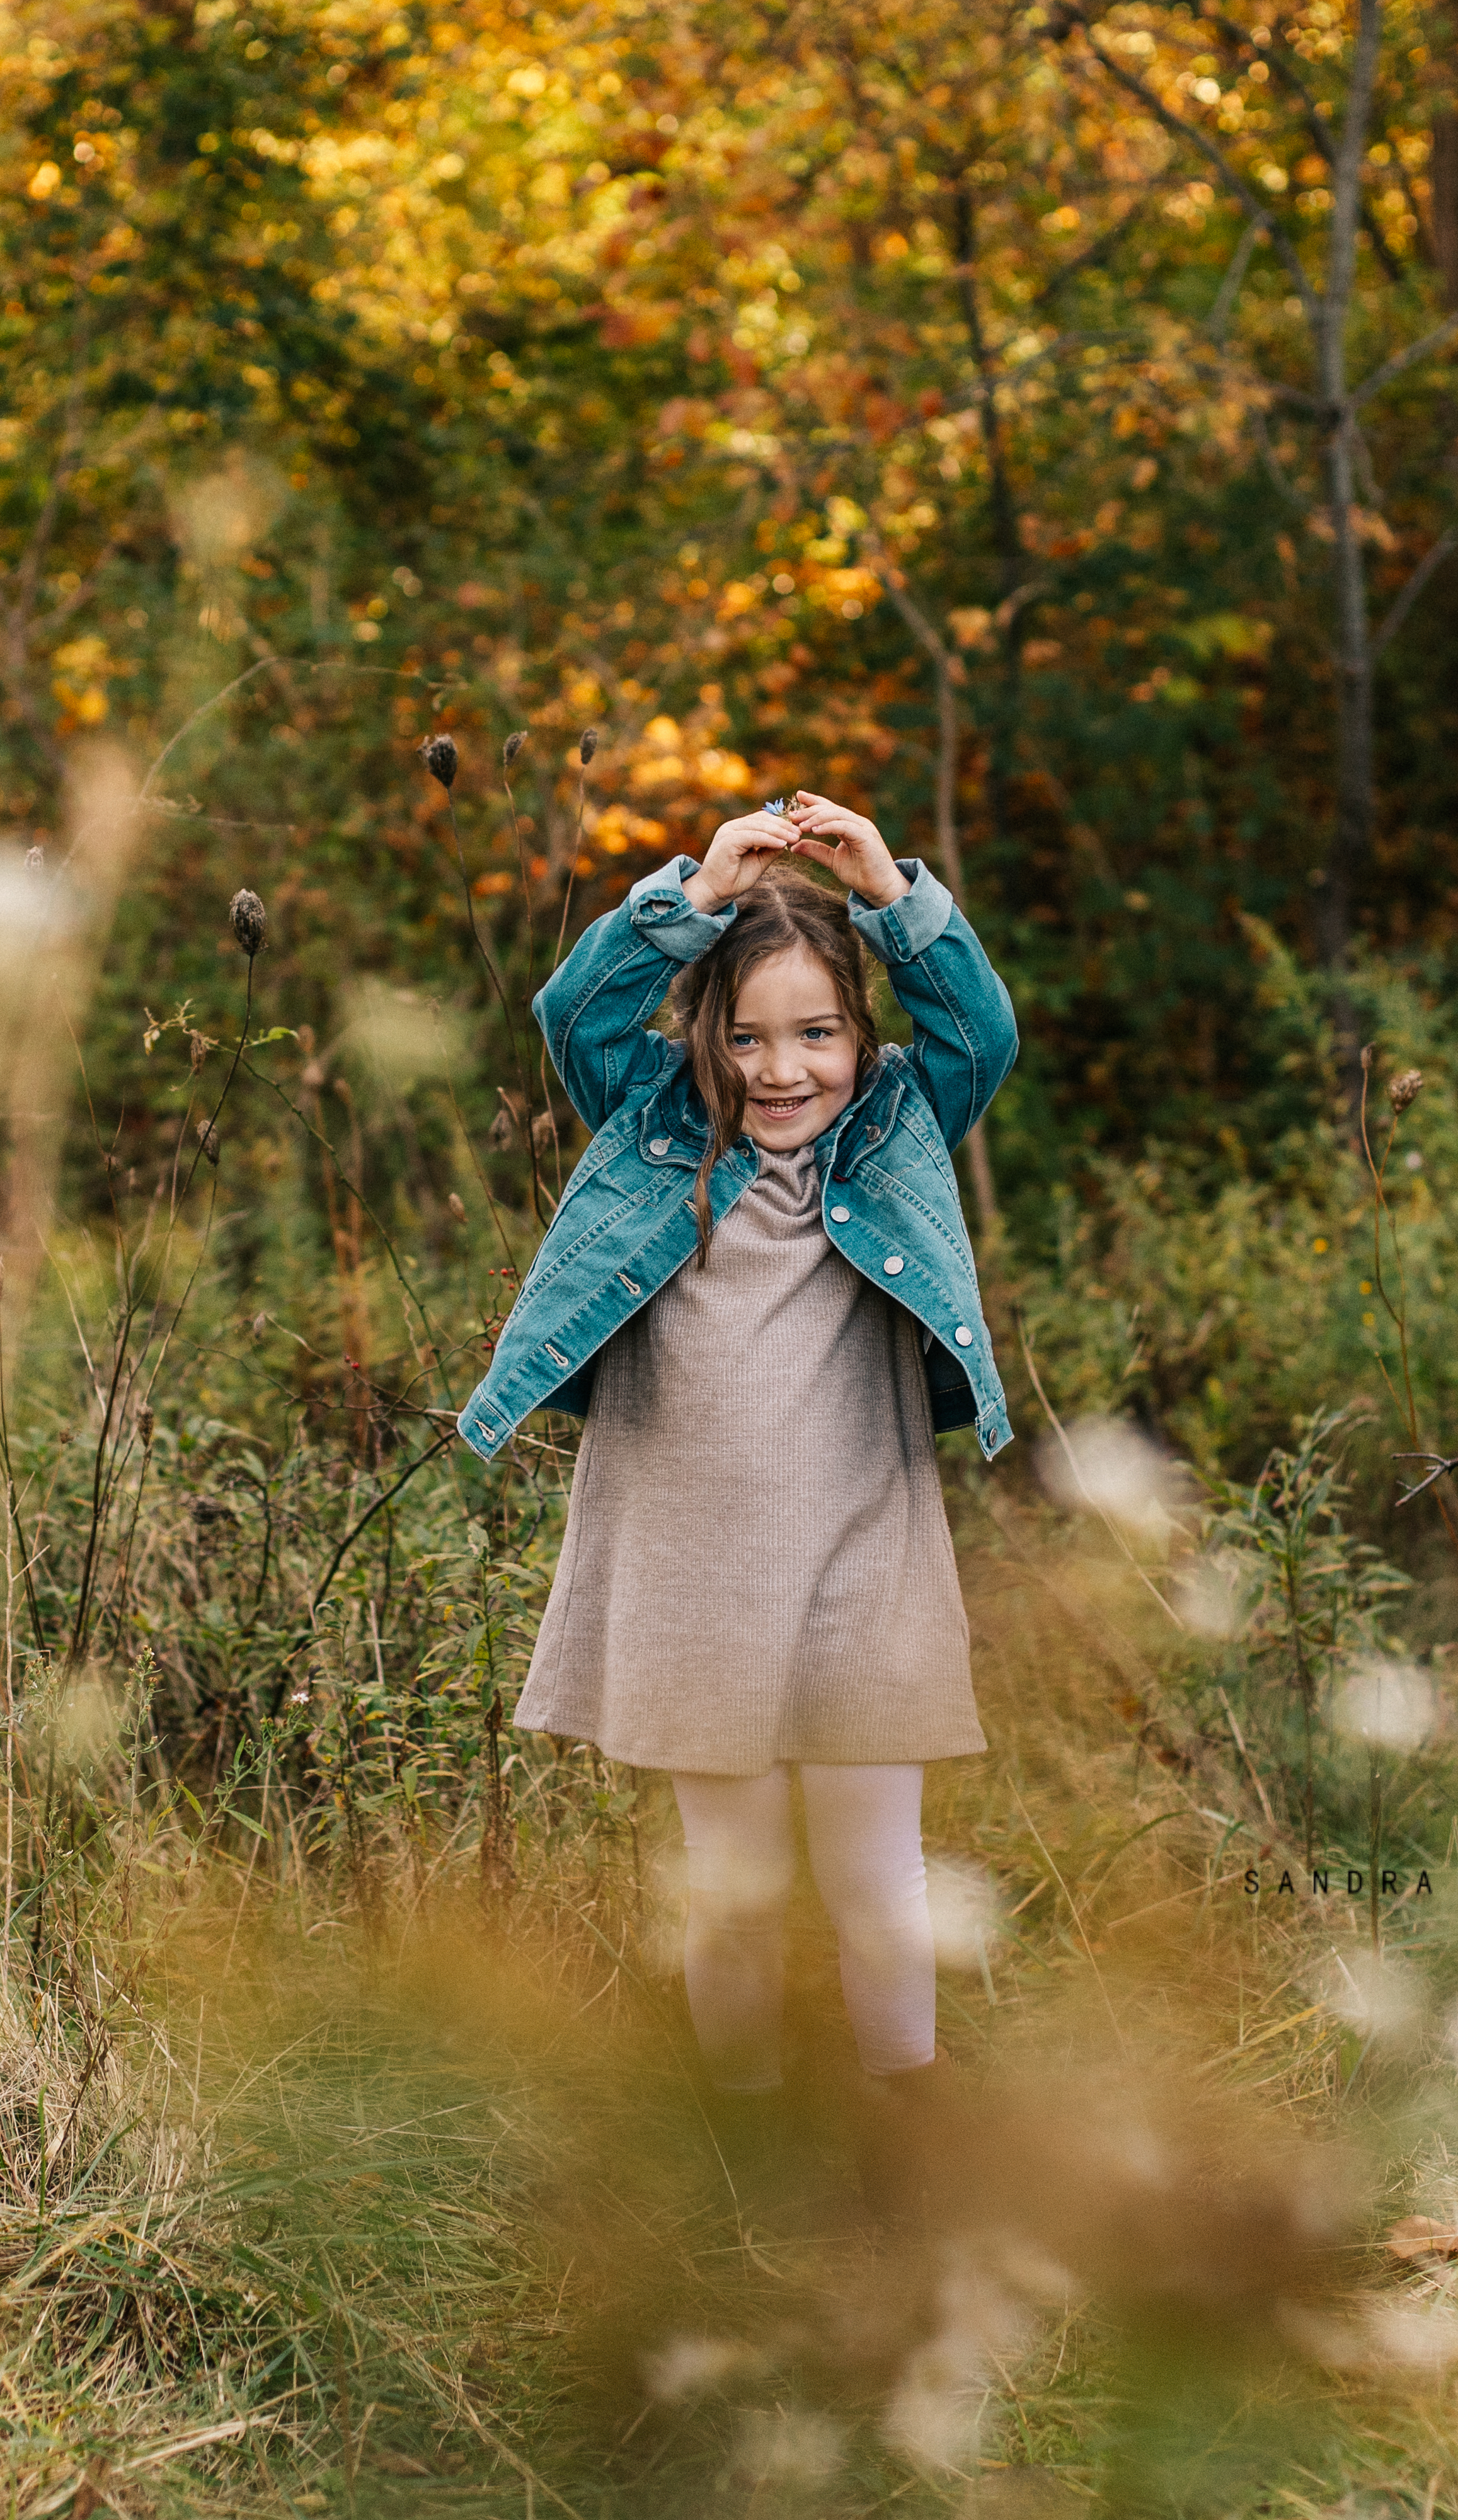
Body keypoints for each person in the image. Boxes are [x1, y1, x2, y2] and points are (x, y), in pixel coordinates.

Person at [456, 790, 1018, 2192]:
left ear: (862, 1040)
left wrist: (890, 885)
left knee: (878, 1863)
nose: (782, 1070)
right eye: (749, 1035)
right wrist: (694, 895)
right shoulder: (650, 1114)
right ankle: (746, 2127)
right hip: (690, 1557)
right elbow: (572, 1016)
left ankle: (907, 2121)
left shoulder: (895, 1117)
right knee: (735, 1876)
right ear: (705, 1035)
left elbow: (980, 1033)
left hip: (863, 1542)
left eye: (818, 1031)